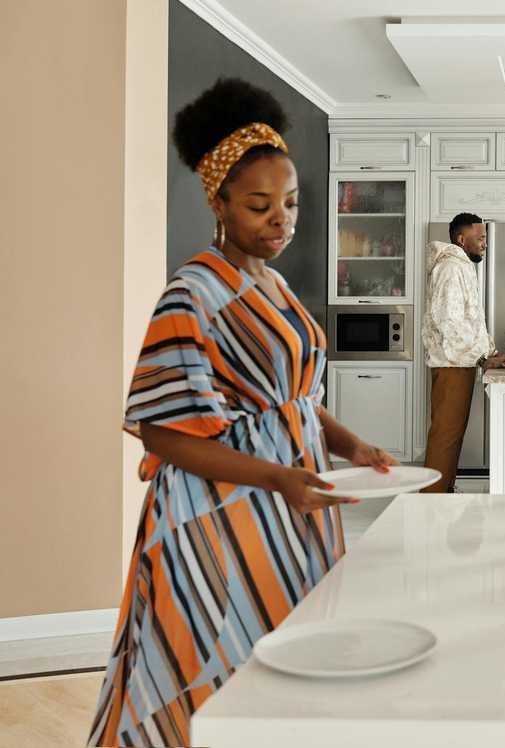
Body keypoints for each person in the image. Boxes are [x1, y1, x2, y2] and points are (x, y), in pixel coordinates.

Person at [89, 78, 398, 747]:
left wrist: (353, 446)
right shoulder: (192, 293)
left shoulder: (274, 283)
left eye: (289, 202)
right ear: (219, 203)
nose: (280, 219)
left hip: (289, 504)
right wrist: (277, 478)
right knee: (208, 657)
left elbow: (298, 403)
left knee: (280, 659)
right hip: (219, 511)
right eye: (260, 205)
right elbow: (162, 433)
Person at [422, 213, 505, 493]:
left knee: (451, 432)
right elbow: (448, 322)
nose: (485, 243)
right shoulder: (450, 267)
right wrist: (483, 357)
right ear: (461, 239)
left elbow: (470, 319)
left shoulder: (460, 266)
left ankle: (443, 490)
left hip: (460, 360)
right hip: (451, 362)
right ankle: (431, 498)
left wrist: (488, 351)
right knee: (446, 434)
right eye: (480, 237)